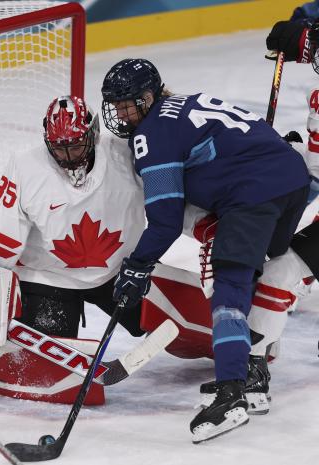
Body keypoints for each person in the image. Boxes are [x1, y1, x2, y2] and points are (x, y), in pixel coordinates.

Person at [100, 58, 311, 443]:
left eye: (126, 104)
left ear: (147, 99)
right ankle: (252, 371)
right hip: (292, 180)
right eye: (114, 105)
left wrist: (137, 266)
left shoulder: (153, 134)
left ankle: (233, 392)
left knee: (228, 285)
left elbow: (164, 221)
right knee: (261, 269)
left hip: (253, 195)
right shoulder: (187, 103)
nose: (119, 113)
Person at [0, 95, 147, 340]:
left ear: (93, 136)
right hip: (49, 279)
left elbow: (170, 199)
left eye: (75, 146)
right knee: (39, 369)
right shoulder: (25, 167)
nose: (68, 157)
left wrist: (203, 228)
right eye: (59, 148)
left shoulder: (125, 154)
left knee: (173, 325)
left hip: (121, 272)